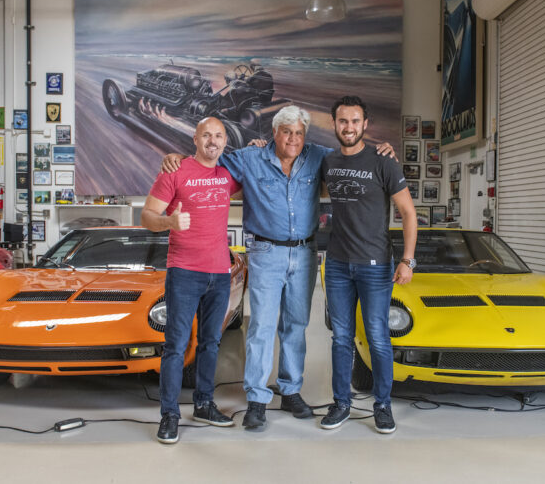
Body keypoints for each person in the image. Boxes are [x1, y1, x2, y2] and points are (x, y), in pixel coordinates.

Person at [161, 105, 396, 431]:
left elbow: (352, 154)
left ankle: (290, 390)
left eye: (299, 133)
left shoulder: (319, 156)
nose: (294, 139)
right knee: (261, 325)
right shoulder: (249, 158)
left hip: (304, 252)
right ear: (274, 133)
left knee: (296, 325)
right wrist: (175, 156)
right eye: (287, 132)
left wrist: (381, 151)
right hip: (265, 251)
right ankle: (257, 399)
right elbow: (207, 161)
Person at [141, 117, 241, 445]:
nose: (213, 141)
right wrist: (169, 220)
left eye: (218, 136)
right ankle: (169, 414)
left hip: (219, 273)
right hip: (184, 271)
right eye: (206, 135)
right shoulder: (175, 171)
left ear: (225, 141)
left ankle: (203, 404)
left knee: (211, 343)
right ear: (195, 139)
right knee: (176, 346)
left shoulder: (228, 173)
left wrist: (256, 147)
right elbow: (146, 217)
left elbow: (260, 170)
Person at [320, 95, 417, 435]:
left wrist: (407, 259)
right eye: (343, 121)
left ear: (365, 124)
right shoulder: (327, 160)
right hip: (337, 265)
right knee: (341, 339)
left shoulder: (383, 160)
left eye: (355, 121)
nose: (349, 127)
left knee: (377, 338)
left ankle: (383, 405)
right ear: (335, 124)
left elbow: (408, 213)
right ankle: (341, 403)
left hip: (376, 266)